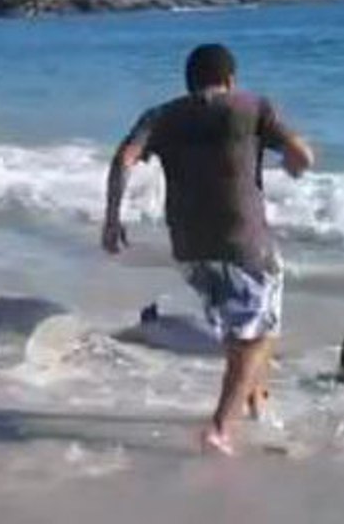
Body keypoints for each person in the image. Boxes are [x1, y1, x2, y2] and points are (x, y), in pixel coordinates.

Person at [102, 43, 314, 456]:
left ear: (189, 81)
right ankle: (220, 428)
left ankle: (255, 398)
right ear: (231, 79)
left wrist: (112, 218)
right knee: (256, 336)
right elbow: (300, 154)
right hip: (244, 242)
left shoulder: (161, 115)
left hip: (189, 247)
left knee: (244, 328)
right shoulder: (253, 106)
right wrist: (296, 164)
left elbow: (123, 160)